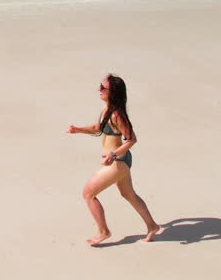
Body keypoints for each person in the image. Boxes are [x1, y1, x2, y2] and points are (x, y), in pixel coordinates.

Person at [66, 73, 160, 246]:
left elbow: (132, 139)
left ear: (113, 92)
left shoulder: (117, 115)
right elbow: (97, 128)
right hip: (118, 161)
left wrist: (113, 154)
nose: (99, 90)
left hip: (117, 162)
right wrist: (78, 129)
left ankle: (103, 232)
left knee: (88, 194)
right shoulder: (106, 109)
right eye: (100, 86)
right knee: (128, 194)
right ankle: (152, 226)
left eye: (103, 88)